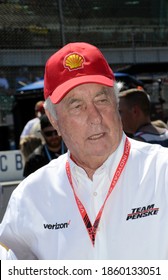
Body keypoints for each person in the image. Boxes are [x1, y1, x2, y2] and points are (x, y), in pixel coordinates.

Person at [0, 42, 168, 260]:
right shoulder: (31, 196)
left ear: (116, 104)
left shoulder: (162, 172)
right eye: (77, 106)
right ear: (54, 120)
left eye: (101, 100)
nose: (95, 117)